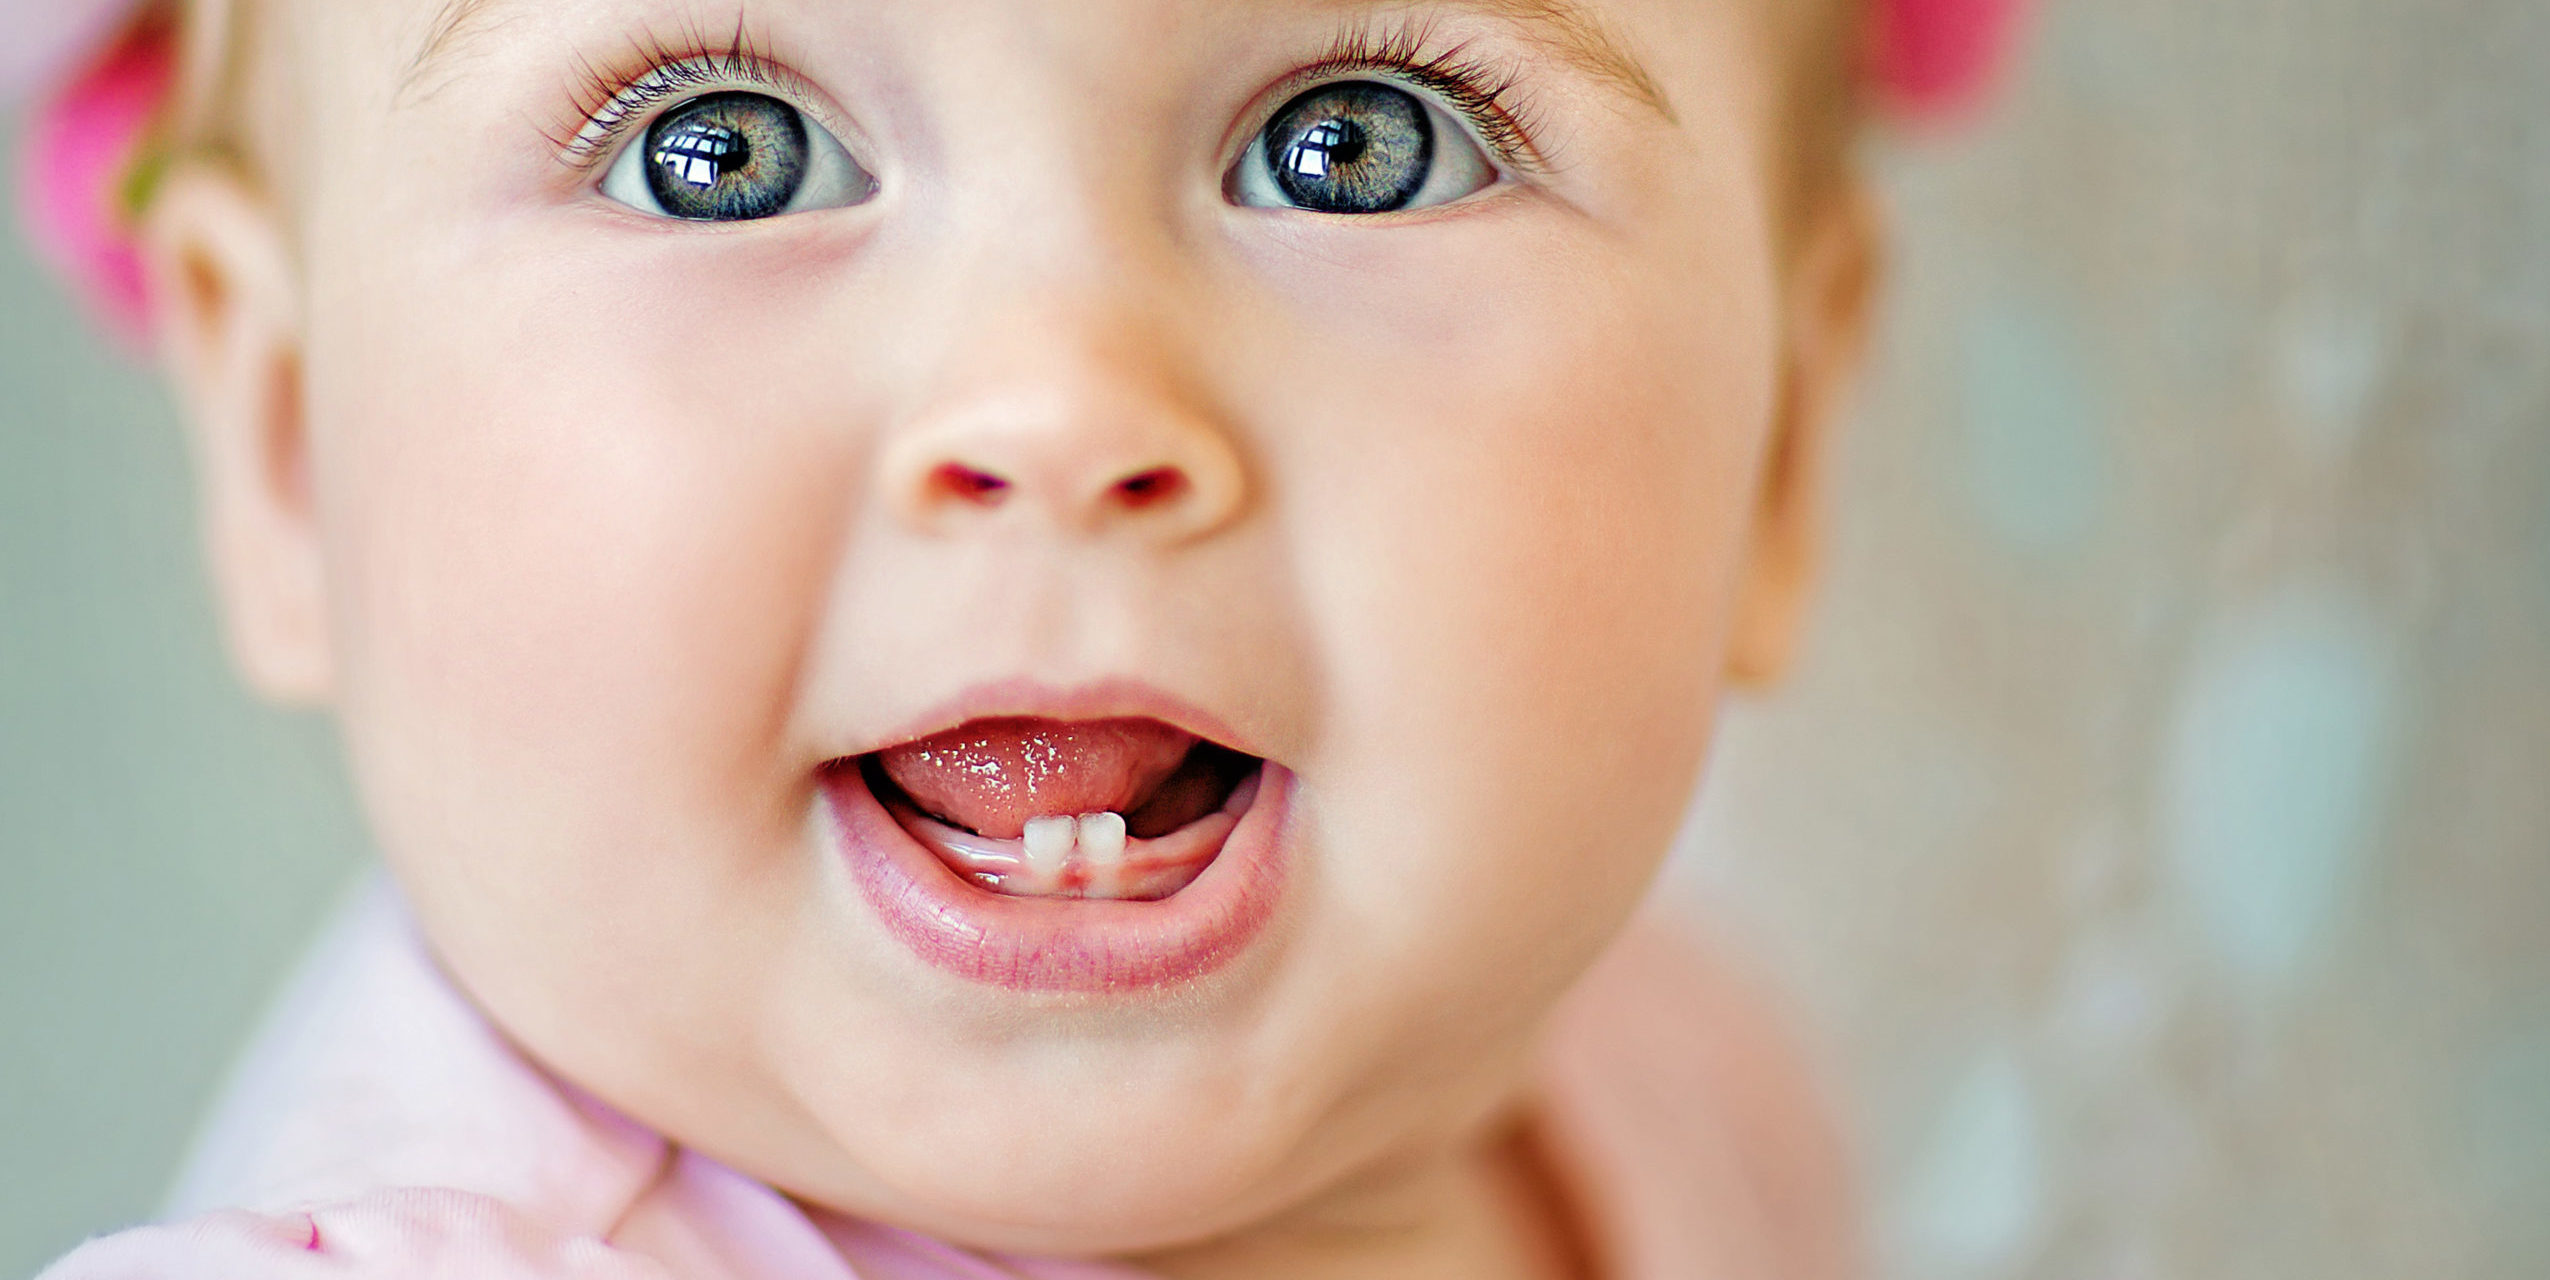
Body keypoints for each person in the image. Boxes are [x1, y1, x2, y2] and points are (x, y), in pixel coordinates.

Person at [10, 0, 2023, 1275]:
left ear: (1781, 437)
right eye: (721, 152)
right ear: (286, 439)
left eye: (1352, 139)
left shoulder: (1685, 1082)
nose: (1060, 403)